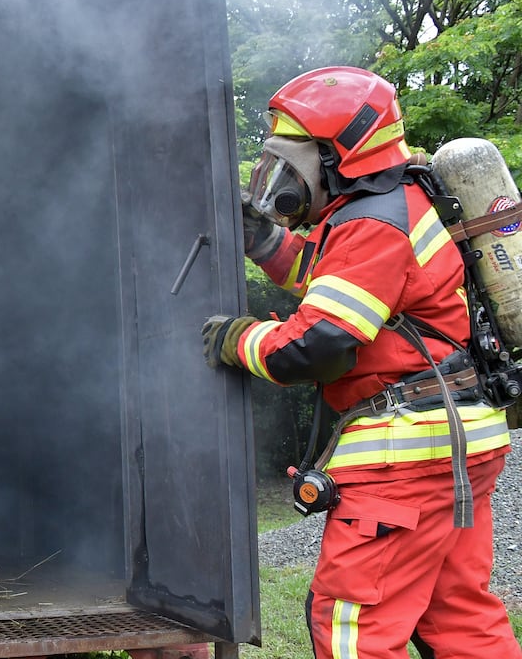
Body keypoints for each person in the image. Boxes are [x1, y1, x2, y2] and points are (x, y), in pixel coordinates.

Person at [201, 66, 520, 658]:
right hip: (459, 442)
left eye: (288, 161)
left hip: (405, 457)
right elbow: (345, 289)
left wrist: (238, 339)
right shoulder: (392, 208)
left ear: (335, 155)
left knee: (354, 627)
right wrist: (265, 240)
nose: (277, 179)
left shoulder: (371, 222)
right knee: (459, 617)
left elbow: (317, 344)